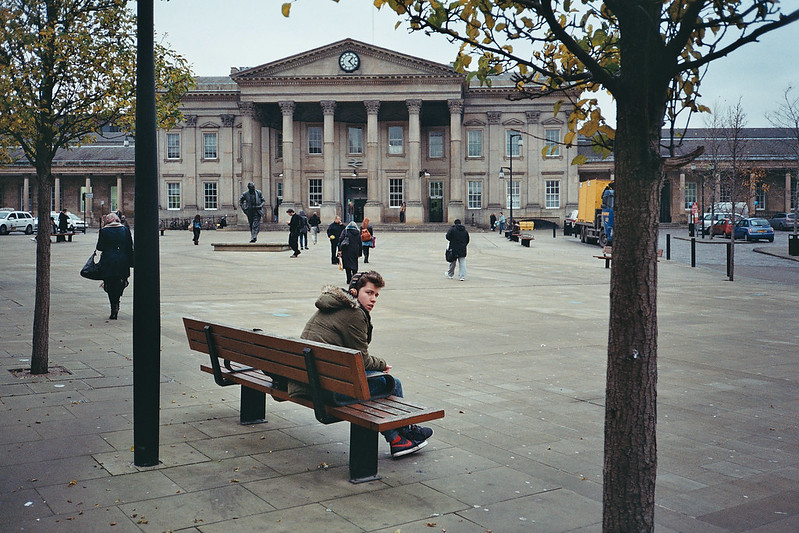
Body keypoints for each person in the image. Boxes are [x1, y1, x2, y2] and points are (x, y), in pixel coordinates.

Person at [290, 271, 433, 458]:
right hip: (324, 389)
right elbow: (362, 359)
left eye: (376, 295)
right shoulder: (354, 313)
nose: (373, 299)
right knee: (391, 383)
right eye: (369, 292)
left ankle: (405, 432)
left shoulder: (331, 305)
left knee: (377, 381)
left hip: (307, 379)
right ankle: (399, 438)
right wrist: (382, 365)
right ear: (355, 292)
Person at [96, 212, 134, 320]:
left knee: (109, 283)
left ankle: (114, 305)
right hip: (122, 260)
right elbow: (130, 246)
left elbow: (100, 247)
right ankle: (117, 300)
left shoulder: (104, 231)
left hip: (108, 261)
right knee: (121, 280)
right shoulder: (125, 230)